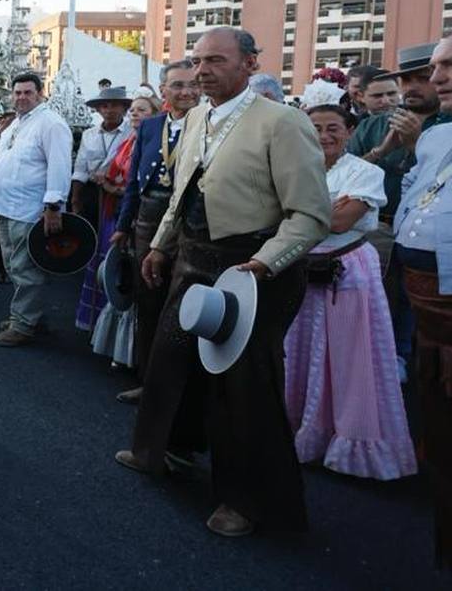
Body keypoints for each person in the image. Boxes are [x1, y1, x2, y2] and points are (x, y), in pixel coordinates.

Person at [116, 27, 330, 539]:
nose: (202, 70)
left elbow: (311, 215)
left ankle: (249, 501)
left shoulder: (283, 123)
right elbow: (179, 195)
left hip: (255, 269)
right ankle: (160, 451)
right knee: (168, 359)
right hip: (194, 256)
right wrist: (161, 246)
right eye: (196, 61)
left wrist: (265, 262)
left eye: (215, 60)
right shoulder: (193, 119)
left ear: (250, 64)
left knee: (244, 387)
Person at [282, 103, 415, 480]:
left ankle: (348, 441)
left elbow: (341, 222)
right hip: (301, 268)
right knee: (301, 350)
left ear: (350, 131)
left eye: (332, 128)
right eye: (315, 129)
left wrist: (296, 211)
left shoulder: (365, 172)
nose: (324, 136)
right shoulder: (294, 169)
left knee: (348, 356)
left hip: (347, 271)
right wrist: (320, 209)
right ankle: (306, 430)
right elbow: (278, 214)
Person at [348, 42, 452, 379]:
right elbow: (345, 174)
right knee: (375, 301)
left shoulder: (442, 126)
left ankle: (402, 362)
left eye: (420, 78)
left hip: (434, 258)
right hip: (378, 230)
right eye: (407, 81)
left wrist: (415, 142)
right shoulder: (373, 126)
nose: (419, 86)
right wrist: (382, 149)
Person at [391, 32, 452, 568]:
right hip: (428, 307)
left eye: (449, 66)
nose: (437, 79)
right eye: (434, 68)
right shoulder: (433, 138)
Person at [111, 59, 201, 404]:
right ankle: (147, 381)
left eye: (193, 85)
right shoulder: (150, 126)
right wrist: (122, 227)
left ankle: (178, 389)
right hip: (147, 221)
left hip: (189, 225)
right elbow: (134, 183)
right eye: (178, 85)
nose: (187, 92)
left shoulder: (209, 124)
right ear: (163, 90)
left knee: (181, 306)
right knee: (147, 302)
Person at [0, 72, 74, 347]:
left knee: (26, 269)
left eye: (27, 92)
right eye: (17, 92)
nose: (21, 97)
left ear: (40, 93)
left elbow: (60, 166)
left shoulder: (51, 124)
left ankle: (23, 325)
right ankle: (30, 317)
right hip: (5, 207)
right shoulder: (18, 122)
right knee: (15, 266)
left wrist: (53, 206)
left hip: (28, 209)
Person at [89, 95, 158, 369]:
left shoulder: (156, 141)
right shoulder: (131, 140)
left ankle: (133, 356)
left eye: (142, 110)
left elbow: (138, 186)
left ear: (156, 113)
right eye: (134, 110)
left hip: (138, 221)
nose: (135, 114)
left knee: (132, 283)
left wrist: (110, 188)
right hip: (118, 216)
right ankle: (117, 348)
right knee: (117, 279)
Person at [71, 86, 131, 331]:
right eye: (104, 106)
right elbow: (80, 169)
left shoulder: (132, 133)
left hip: (120, 200)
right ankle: (93, 319)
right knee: (94, 253)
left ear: (124, 108)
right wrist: (75, 202)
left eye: (115, 105)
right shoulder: (89, 135)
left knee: (115, 254)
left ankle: (114, 318)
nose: (109, 110)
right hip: (93, 197)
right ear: (98, 110)